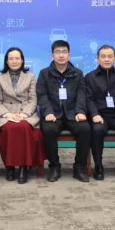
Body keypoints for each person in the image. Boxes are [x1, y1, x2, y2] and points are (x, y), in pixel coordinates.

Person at [37, 40, 91, 182]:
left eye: (64, 52)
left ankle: (79, 167)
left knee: (85, 129)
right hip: (53, 114)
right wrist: (48, 112)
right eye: (58, 52)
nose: (61, 55)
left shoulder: (77, 73)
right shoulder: (44, 73)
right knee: (48, 130)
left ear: (69, 55)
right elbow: (41, 95)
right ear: (52, 55)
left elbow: (81, 94)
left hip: (73, 113)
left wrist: (80, 111)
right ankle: (54, 166)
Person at [0, 47, 44, 184]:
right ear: (6, 61)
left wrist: (23, 115)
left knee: (23, 127)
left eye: (17, 58)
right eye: (11, 58)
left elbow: (33, 99)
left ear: (22, 60)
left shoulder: (30, 77)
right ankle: (9, 167)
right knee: (9, 128)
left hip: (26, 113)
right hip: (7, 114)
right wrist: (8, 114)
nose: (14, 61)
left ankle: (23, 167)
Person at [85, 45, 115, 181]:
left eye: (110, 56)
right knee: (97, 130)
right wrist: (95, 115)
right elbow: (88, 99)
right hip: (99, 117)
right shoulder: (90, 77)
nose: (107, 59)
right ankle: (98, 166)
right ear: (98, 58)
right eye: (103, 56)